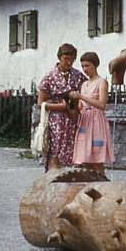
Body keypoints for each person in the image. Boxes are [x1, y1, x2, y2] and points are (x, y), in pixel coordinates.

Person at [37, 43, 85, 171]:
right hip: (56, 119)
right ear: (59, 57)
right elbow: (40, 102)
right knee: (57, 147)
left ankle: (72, 176)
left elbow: (86, 92)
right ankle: (54, 175)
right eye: (66, 59)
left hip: (73, 117)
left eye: (72, 59)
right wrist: (59, 107)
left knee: (74, 146)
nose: (69, 63)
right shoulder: (49, 77)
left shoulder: (78, 75)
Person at [69, 51, 114, 174]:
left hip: (96, 121)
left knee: (97, 161)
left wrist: (82, 97)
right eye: (83, 66)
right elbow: (80, 107)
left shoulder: (101, 82)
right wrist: (73, 101)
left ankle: (103, 188)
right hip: (85, 121)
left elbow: (102, 105)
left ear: (95, 65)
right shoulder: (84, 84)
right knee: (86, 159)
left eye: (87, 65)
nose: (85, 69)